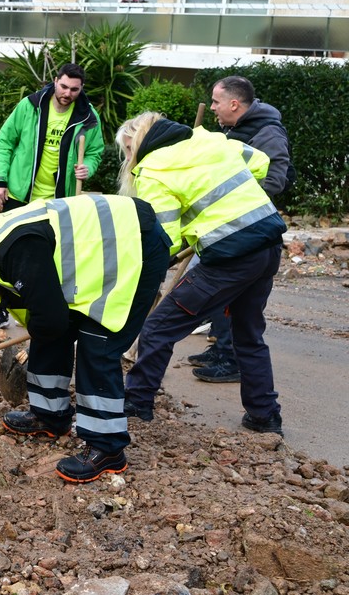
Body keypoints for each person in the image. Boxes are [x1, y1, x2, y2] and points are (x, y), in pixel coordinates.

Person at [0, 194, 171, 483]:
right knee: (47, 326)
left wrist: (42, 325)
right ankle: (50, 416)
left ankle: (107, 448)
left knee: (97, 343)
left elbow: (53, 321)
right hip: (103, 252)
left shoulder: (17, 249)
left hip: (135, 245)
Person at [116, 112, 286, 435]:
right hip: (267, 242)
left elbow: (162, 240)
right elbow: (261, 162)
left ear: (140, 143)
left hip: (230, 257)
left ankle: (136, 402)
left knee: (158, 327)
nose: (128, 158)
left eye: (128, 149)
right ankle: (265, 416)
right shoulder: (207, 139)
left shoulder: (153, 170)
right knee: (248, 335)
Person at [188, 76, 295, 383]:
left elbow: (275, 181)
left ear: (234, 104)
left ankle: (231, 357)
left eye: (216, 102)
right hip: (227, 225)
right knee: (222, 293)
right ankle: (222, 349)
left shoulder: (268, 133)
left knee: (236, 296)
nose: (212, 108)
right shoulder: (234, 129)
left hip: (248, 228)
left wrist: (226, 191)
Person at [0, 62, 103, 329]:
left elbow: (96, 152)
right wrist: (0, 181)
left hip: (59, 202)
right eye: (63, 86)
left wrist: (89, 168)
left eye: (74, 89)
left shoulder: (87, 116)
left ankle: (42, 311)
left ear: (81, 89)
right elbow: (5, 142)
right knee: (5, 255)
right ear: (54, 81)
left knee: (52, 258)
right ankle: (0, 309)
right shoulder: (30, 106)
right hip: (20, 195)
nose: (67, 93)